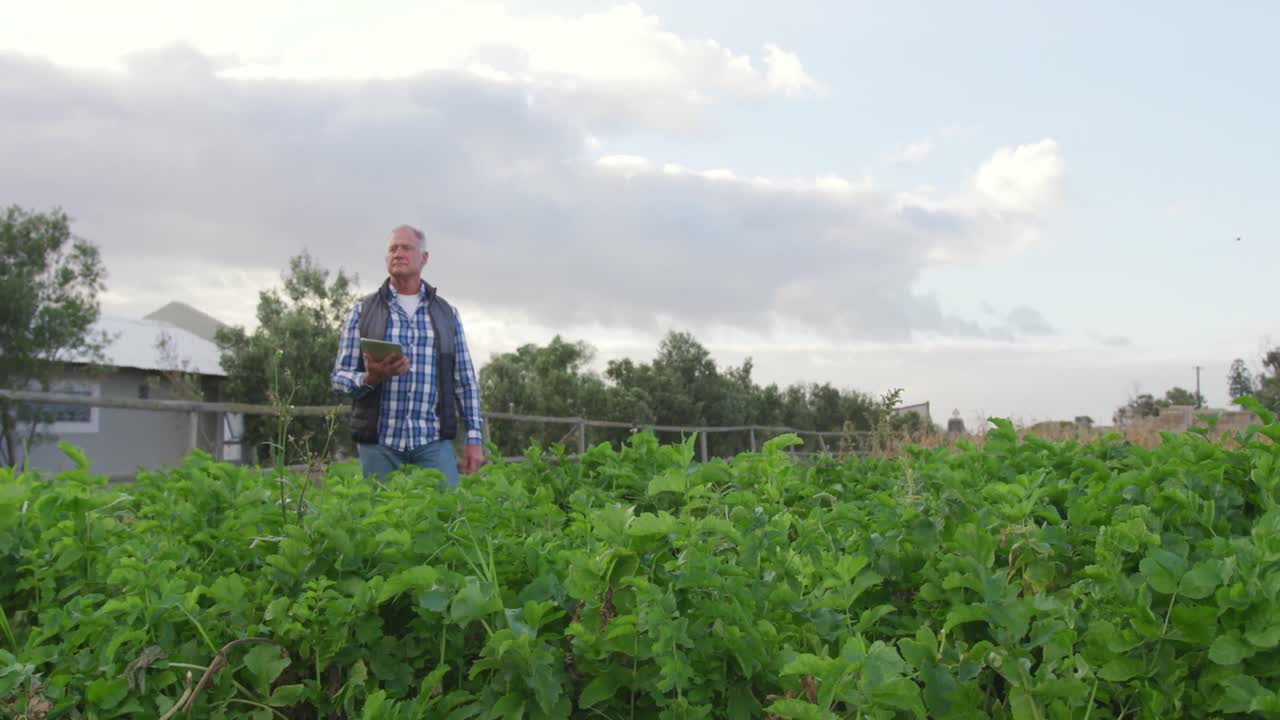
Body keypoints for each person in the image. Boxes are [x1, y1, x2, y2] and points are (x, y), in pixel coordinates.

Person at [330, 224, 484, 484]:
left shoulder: (447, 314)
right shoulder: (362, 311)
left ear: (424, 258)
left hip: (432, 441)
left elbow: (465, 382)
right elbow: (339, 378)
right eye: (392, 249)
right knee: (381, 521)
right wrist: (370, 378)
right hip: (380, 442)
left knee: (447, 517)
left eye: (406, 248)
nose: (398, 253)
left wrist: (474, 437)